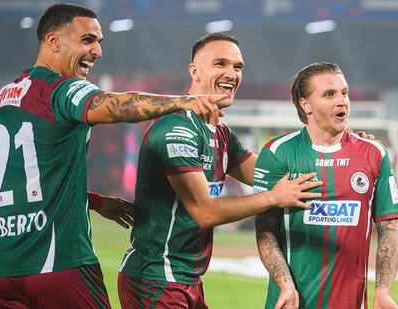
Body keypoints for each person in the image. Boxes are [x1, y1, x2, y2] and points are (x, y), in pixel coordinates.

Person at [0, 4, 226, 309]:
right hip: (59, 263)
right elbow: (110, 105)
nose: (96, 51)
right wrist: (182, 101)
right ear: (53, 41)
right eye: (87, 40)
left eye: (99, 42)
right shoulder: (63, 89)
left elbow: (27, 181)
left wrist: (96, 202)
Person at [117, 33, 324, 309]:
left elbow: (273, 174)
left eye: (238, 67)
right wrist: (274, 197)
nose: (231, 73)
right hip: (156, 277)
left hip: (185, 279)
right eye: (220, 64)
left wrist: (341, 146)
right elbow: (205, 212)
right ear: (194, 71)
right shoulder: (176, 130)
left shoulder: (223, 135)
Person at [254, 62, 398, 309]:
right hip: (291, 304)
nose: (342, 101)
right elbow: (265, 230)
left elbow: (389, 226)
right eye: (329, 94)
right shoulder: (278, 153)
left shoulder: (374, 153)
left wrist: (383, 291)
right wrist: (285, 285)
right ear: (306, 105)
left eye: (344, 92)